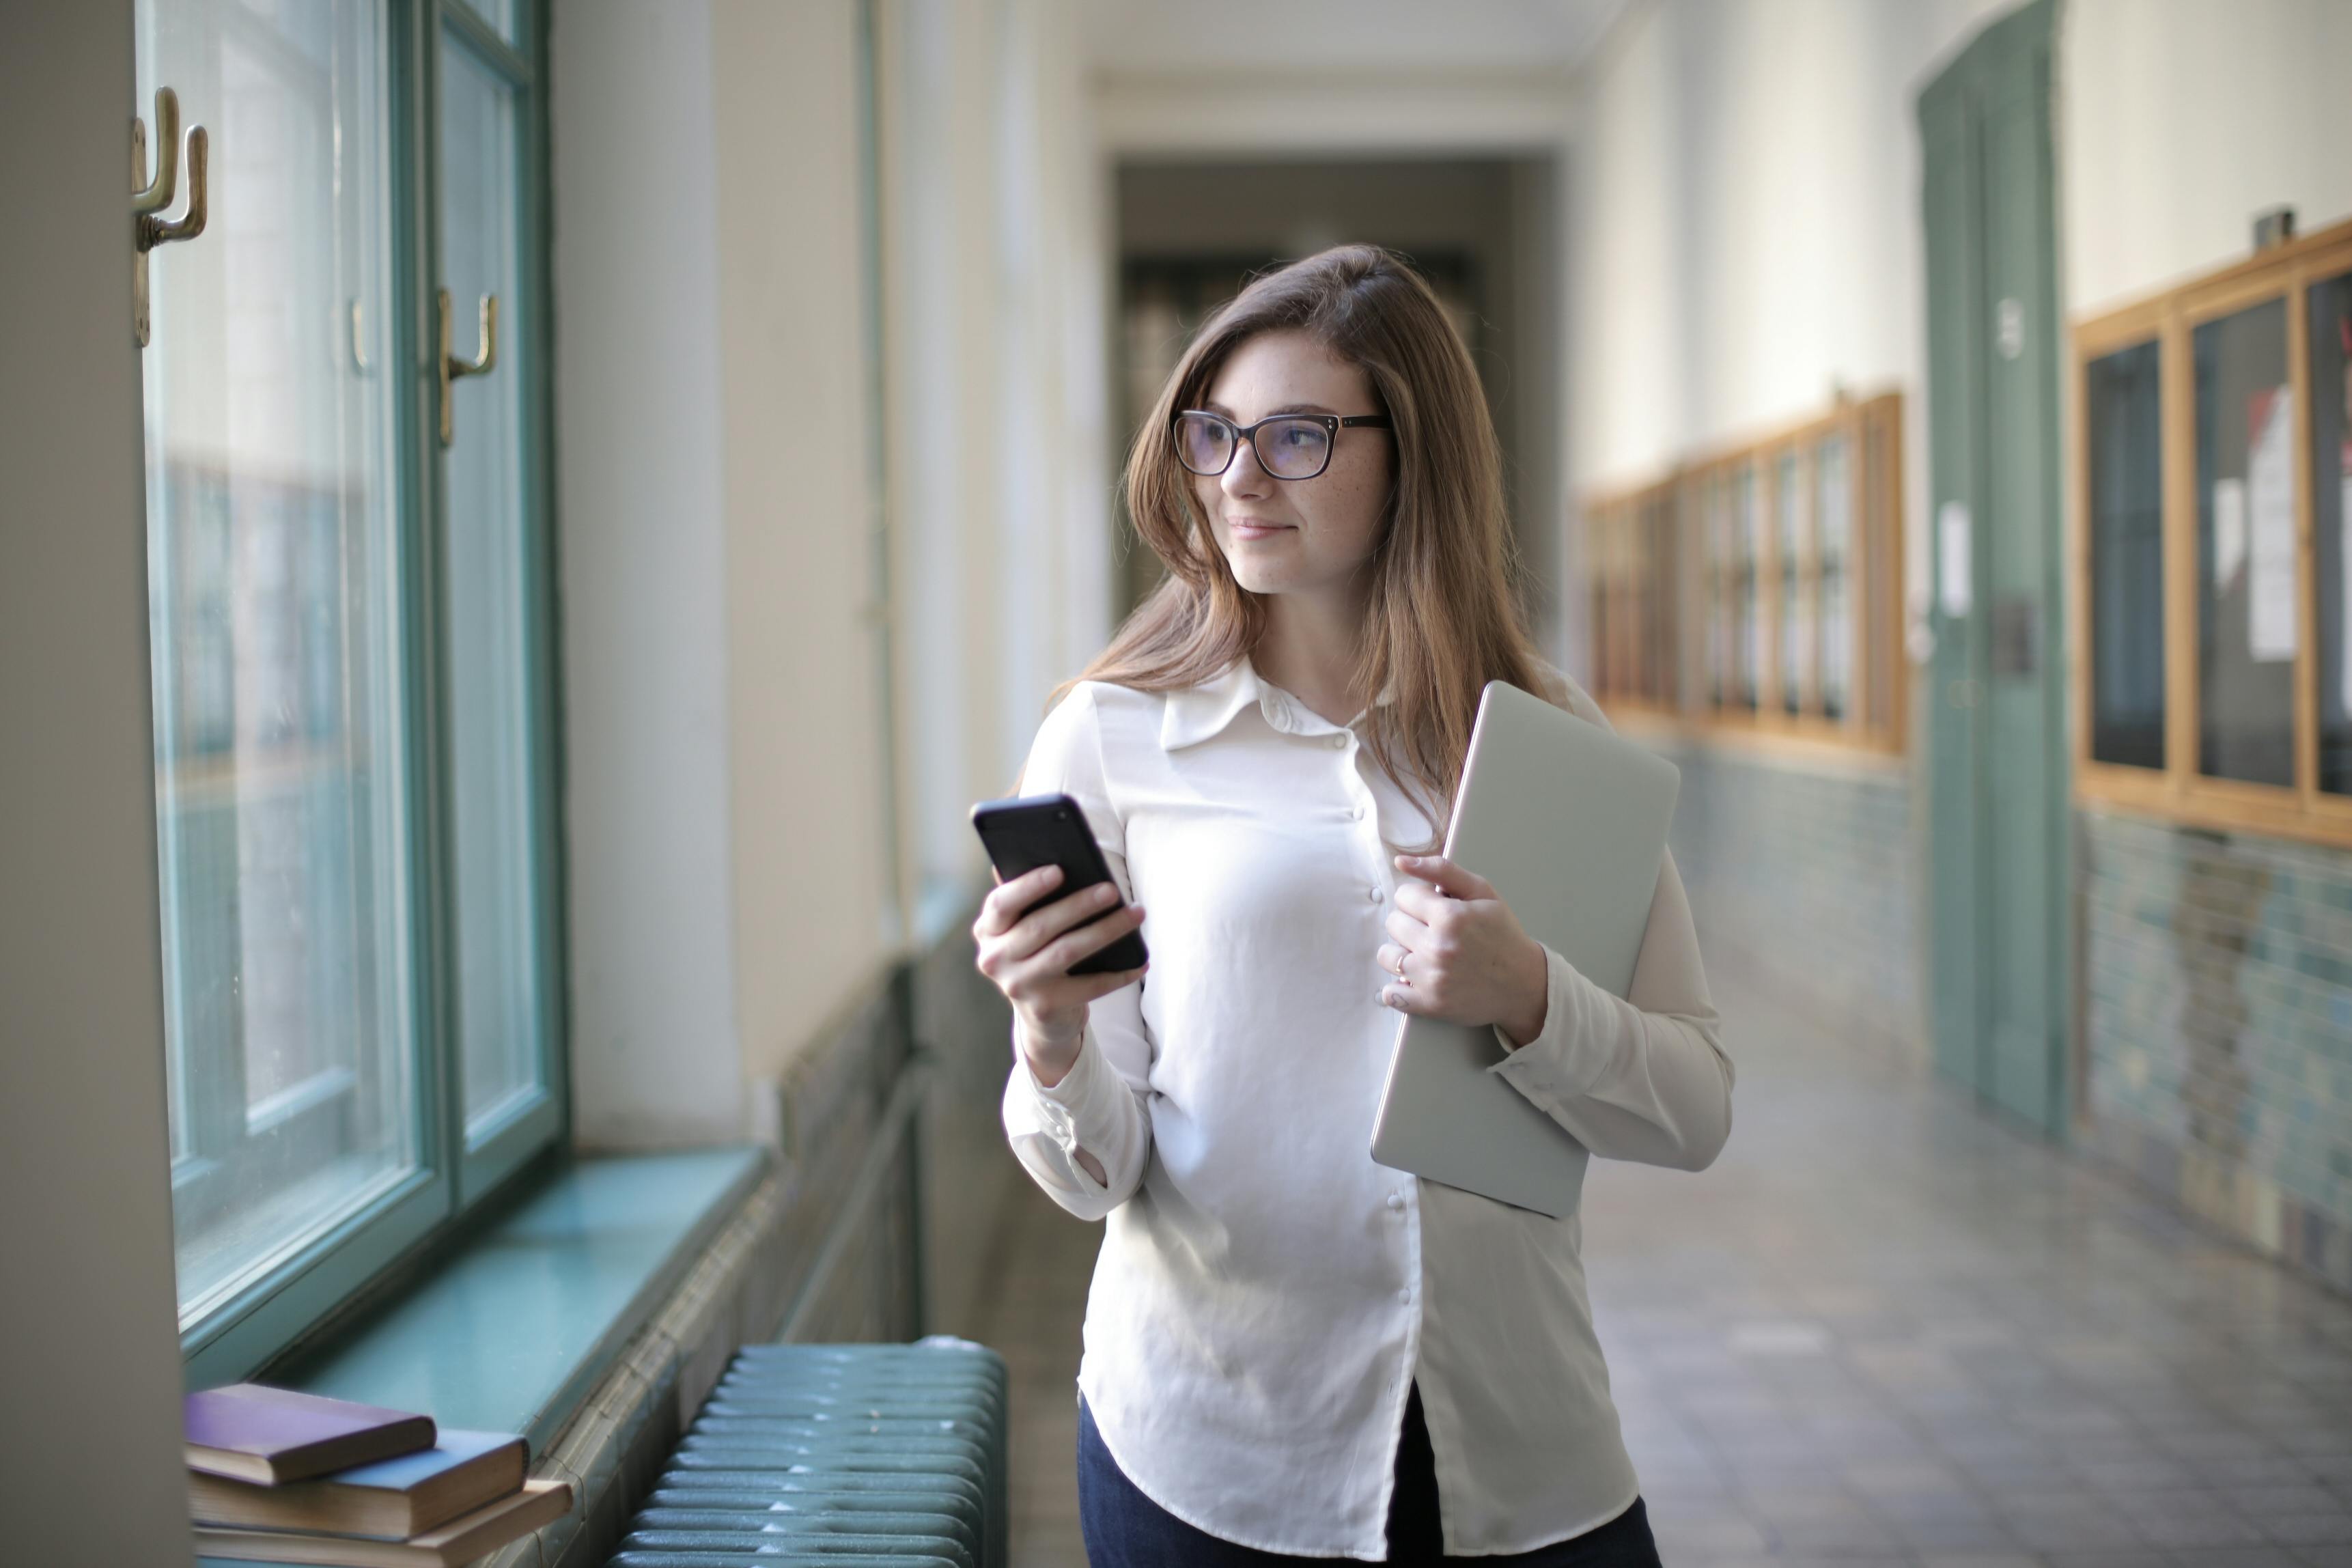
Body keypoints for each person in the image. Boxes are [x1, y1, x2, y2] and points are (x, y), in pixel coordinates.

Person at [972, 245, 1732, 1567]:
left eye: (1300, 436)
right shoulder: (1111, 740)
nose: (1240, 478)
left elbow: (1696, 1108)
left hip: (1521, 1444)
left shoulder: (1545, 733)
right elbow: (1101, 1178)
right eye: (1215, 434)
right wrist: (1049, 1043)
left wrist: (1532, 1001)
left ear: (1413, 457)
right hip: (1214, 1455)